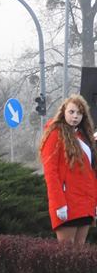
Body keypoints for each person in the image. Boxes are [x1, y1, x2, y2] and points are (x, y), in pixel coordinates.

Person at [39, 94, 97, 245]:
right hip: (66, 203)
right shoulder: (54, 134)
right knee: (67, 253)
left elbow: (91, 173)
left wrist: (95, 202)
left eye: (79, 113)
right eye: (71, 112)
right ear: (63, 111)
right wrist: (59, 204)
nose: (75, 116)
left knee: (79, 252)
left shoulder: (84, 137)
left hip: (85, 203)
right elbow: (50, 173)